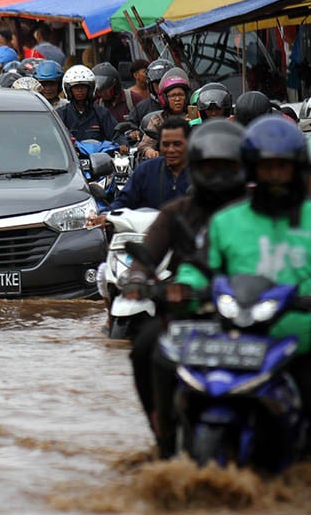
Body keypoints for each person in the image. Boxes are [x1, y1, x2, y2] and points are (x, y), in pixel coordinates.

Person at [166, 115, 311, 457]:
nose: (274, 175)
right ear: (251, 170)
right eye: (266, 167)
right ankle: (168, 445)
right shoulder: (226, 221)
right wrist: (183, 289)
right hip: (237, 339)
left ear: (297, 170)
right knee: (174, 372)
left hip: (301, 343)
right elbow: (201, 268)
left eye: (282, 167)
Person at [121, 119, 248, 455]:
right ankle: (162, 432)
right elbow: (146, 255)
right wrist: (137, 280)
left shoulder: (256, 213)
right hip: (190, 309)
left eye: (227, 166)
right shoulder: (177, 213)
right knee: (145, 347)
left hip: (251, 313)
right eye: (210, 166)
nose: (217, 175)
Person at [107, 116, 191, 212]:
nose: (171, 150)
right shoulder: (146, 170)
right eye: (166, 144)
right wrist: (105, 215)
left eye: (177, 144)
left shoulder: (201, 172)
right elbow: (123, 201)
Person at [56, 64, 123, 142]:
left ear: (90, 88)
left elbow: (116, 134)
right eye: (76, 87)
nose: (80, 90)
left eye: (83, 87)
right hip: (73, 153)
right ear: (69, 90)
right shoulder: (61, 114)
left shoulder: (102, 113)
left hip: (98, 153)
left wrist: (122, 144)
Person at [140, 68, 191, 157]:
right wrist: (150, 151)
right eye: (173, 96)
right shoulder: (158, 119)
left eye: (180, 95)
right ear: (165, 99)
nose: (177, 99)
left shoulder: (195, 116)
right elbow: (145, 145)